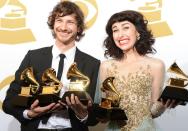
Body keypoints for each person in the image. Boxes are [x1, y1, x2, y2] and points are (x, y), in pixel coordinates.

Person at [3, 1, 100, 131]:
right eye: (59, 20)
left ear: (79, 28)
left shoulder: (92, 63)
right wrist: (29, 113)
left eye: (70, 22)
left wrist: (82, 113)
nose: (64, 27)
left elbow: (95, 116)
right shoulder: (33, 57)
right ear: (53, 24)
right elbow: (9, 101)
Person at [98, 10, 178, 131]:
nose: (120, 34)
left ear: (138, 32)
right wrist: (103, 113)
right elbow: (104, 109)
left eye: (125, 28)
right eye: (115, 30)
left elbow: (153, 112)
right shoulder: (106, 66)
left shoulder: (156, 65)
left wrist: (163, 104)